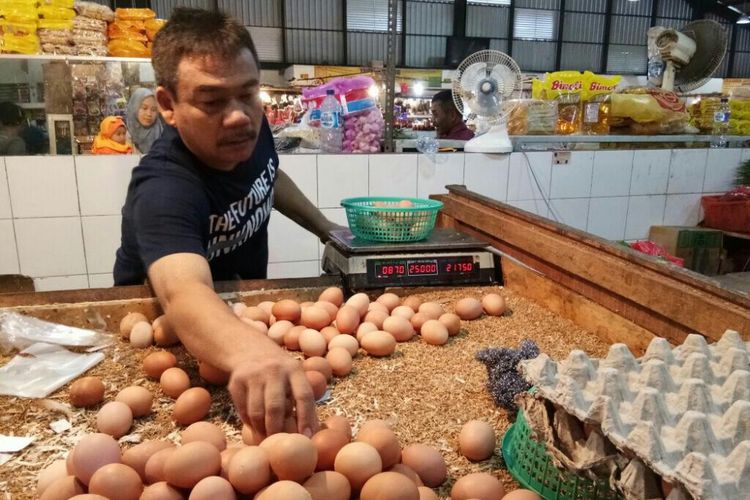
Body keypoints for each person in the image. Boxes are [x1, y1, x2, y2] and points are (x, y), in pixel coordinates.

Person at [113, 8, 341, 439]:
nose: (238, 116)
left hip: (238, 313)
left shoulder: (245, 132)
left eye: (248, 94)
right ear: (168, 105)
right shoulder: (164, 186)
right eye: (213, 101)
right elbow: (183, 292)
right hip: (174, 331)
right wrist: (251, 351)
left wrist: (325, 227)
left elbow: (268, 175)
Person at [126, 87, 163, 154]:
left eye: (153, 109)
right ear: (134, 107)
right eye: (144, 108)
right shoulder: (122, 135)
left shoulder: (162, 134)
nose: (149, 114)